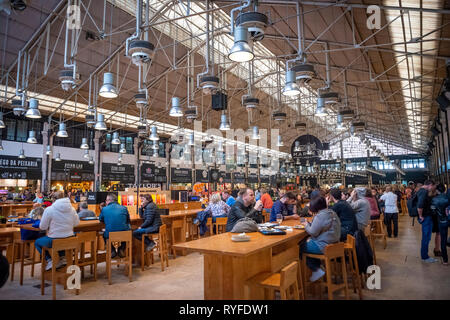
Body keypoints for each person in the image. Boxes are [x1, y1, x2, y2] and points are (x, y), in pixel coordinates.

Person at [34, 191, 79, 271]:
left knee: (37, 242)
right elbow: (76, 223)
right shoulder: (71, 208)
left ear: (53, 199)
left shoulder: (49, 209)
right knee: (62, 238)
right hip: (70, 239)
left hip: (55, 240)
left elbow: (43, 227)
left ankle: (49, 260)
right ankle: (62, 258)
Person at [300, 196, 341, 282]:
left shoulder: (320, 216)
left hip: (323, 246)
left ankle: (316, 269)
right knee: (307, 244)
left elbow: (312, 232)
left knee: (300, 247)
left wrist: (306, 224)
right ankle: (319, 266)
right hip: (335, 244)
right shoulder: (332, 212)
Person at [99, 193, 131, 258]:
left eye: (106, 200)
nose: (106, 202)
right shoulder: (124, 208)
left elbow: (101, 220)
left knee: (105, 235)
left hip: (110, 234)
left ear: (109, 200)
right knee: (126, 231)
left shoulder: (104, 209)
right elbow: (128, 220)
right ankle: (121, 249)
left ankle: (112, 250)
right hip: (124, 234)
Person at [417, 180, 438, 263]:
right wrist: (420, 216)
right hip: (426, 217)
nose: (433, 189)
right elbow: (420, 206)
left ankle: (424, 255)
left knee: (426, 237)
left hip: (426, 217)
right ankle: (425, 257)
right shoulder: (424, 192)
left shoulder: (420, 191)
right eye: (433, 187)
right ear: (430, 185)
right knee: (426, 237)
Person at [431, 184, 449, 265]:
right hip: (449, 219)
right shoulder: (448, 197)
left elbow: (433, 212)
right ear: (444, 190)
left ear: (437, 190)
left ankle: (445, 260)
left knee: (443, 240)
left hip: (441, 221)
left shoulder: (434, 199)